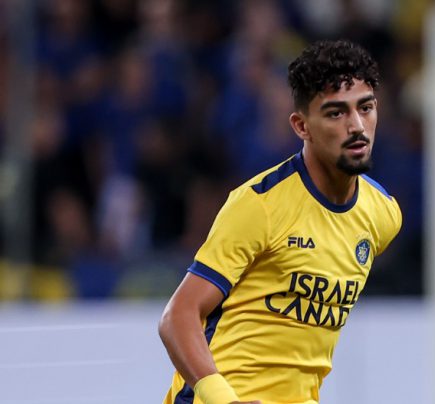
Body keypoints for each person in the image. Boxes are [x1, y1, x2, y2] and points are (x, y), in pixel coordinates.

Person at [159, 39, 402, 404]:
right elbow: (178, 316)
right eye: (336, 113)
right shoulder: (260, 205)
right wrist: (223, 399)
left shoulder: (382, 215)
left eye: (365, 108)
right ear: (302, 126)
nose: (357, 126)